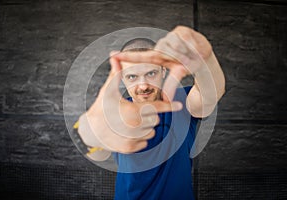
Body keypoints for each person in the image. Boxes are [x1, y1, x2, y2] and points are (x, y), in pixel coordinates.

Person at [77, 26, 225, 199]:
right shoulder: (118, 112)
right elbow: (99, 154)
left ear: (163, 71)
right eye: (132, 77)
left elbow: (208, 97)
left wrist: (205, 60)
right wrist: (90, 130)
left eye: (151, 73)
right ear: (123, 78)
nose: (143, 85)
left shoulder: (181, 100)